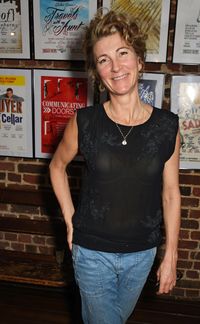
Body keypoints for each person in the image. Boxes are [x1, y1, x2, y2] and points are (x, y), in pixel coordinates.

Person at [49, 9, 181, 324]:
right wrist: (70, 221)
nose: (115, 66)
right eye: (104, 59)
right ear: (97, 71)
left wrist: (171, 254)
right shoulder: (85, 122)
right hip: (91, 250)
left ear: (139, 59)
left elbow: (171, 193)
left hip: (142, 253)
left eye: (123, 53)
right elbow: (56, 167)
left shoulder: (167, 126)